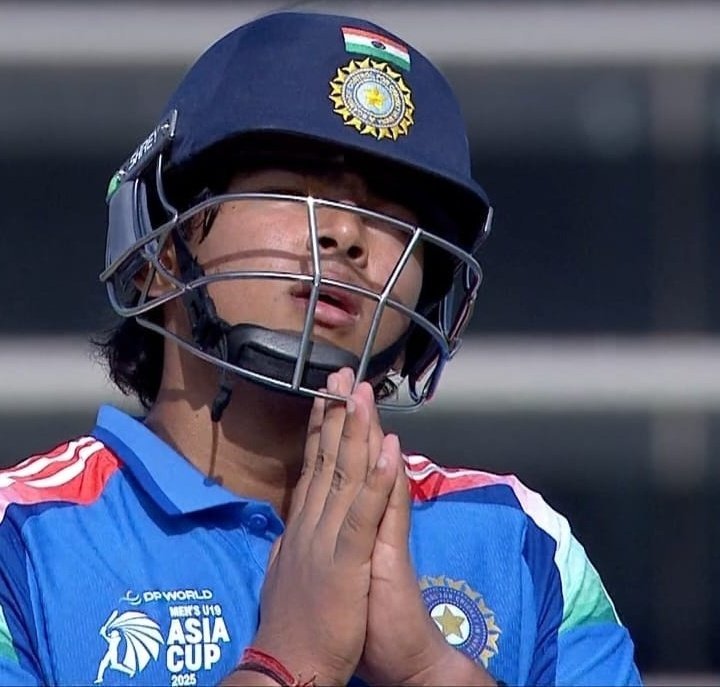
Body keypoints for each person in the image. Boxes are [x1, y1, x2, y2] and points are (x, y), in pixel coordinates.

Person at [0, 9, 642, 687]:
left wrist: (427, 672)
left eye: (389, 216)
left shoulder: (521, 539)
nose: (345, 235)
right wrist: (289, 661)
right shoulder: (23, 537)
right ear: (161, 252)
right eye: (287, 191)